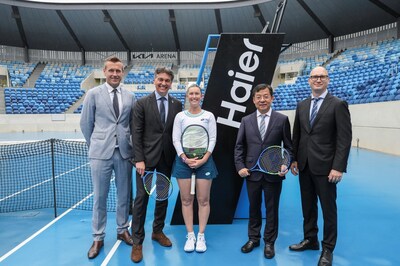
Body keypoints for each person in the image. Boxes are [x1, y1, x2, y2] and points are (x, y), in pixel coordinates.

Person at [289, 66, 352, 266]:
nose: (318, 80)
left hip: (326, 168)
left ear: (328, 80)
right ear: (309, 80)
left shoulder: (338, 104)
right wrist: (294, 159)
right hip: (305, 165)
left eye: (321, 77)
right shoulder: (302, 105)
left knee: (328, 209)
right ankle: (311, 239)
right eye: (314, 76)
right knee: (308, 207)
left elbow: (344, 139)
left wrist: (338, 167)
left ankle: (328, 248)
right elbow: (297, 135)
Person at [80, 56, 136, 259]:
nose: (114, 74)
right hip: (100, 153)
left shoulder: (130, 96)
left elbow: (131, 124)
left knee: (124, 195)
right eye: (111, 70)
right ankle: (98, 237)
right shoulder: (93, 94)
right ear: (104, 72)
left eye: (118, 71)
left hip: (123, 153)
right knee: (100, 197)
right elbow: (86, 124)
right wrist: (95, 144)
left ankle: (122, 230)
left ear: (122, 73)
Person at [234, 83, 292, 259]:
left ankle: (269, 242)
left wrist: (285, 164)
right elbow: (239, 147)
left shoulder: (282, 119)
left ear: (272, 98)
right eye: (258, 97)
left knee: (272, 209)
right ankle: (253, 238)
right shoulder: (246, 120)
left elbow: (288, 148)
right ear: (253, 100)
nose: (262, 100)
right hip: (252, 172)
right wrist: (240, 166)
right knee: (254, 208)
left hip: (273, 173)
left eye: (266, 96)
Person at [130, 67, 182, 263]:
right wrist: (139, 159)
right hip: (146, 160)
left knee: (162, 197)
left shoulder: (177, 104)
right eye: (160, 79)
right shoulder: (142, 103)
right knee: (141, 200)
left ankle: (157, 231)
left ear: (171, 83)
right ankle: (137, 241)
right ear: (154, 80)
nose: (163, 83)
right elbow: (136, 133)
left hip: (166, 159)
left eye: (167, 80)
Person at [171, 84, 218, 253]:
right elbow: (176, 139)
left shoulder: (209, 116)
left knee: (203, 200)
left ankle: (201, 235)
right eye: (191, 93)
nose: (194, 96)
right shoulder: (180, 117)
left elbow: (212, 139)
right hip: (183, 162)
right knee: (186, 200)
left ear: (201, 96)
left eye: (197, 93)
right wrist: (184, 157)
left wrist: (203, 159)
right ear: (187, 96)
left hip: (204, 162)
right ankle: (190, 235)